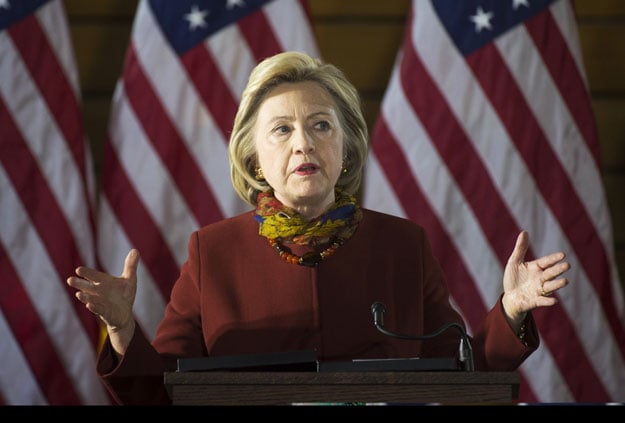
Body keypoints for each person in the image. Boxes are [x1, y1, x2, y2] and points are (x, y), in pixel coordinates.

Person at [67, 51, 570, 405]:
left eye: (321, 125)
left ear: (345, 149)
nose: (303, 143)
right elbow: (159, 394)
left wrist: (511, 309)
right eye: (282, 129)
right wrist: (121, 328)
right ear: (256, 160)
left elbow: (462, 372)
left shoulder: (402, 246)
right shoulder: (212, 251)